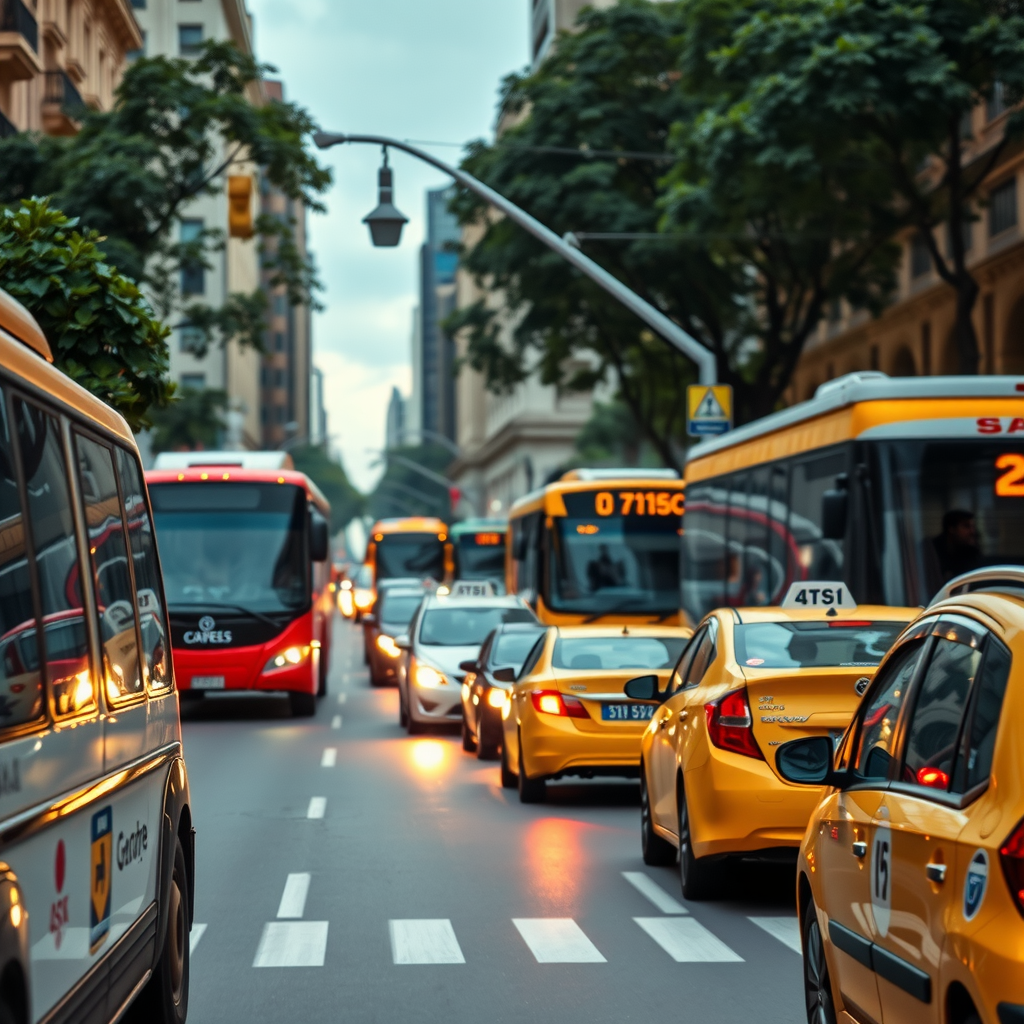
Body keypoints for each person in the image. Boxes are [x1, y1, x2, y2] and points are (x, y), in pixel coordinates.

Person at [932, 509, 981, 583]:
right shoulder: (933, 554)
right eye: (966, 526)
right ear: (951, 529)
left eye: (972, 527)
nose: (972, 531)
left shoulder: (971, 553)